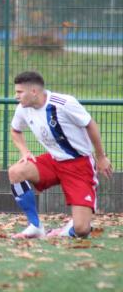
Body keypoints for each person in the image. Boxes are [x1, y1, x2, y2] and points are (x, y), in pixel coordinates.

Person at [8, 71, 113, 239]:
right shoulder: (23, 109)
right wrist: (25, 152)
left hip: (79, 165)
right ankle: (35, 226)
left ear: (34, 91)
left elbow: (91, 124)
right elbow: (15, 130)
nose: (16, 96)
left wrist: (101, 157)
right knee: (16, 172)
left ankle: (70, 227)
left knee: (82, 230)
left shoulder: (64, 103)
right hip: (53, 160)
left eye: (20, 92)